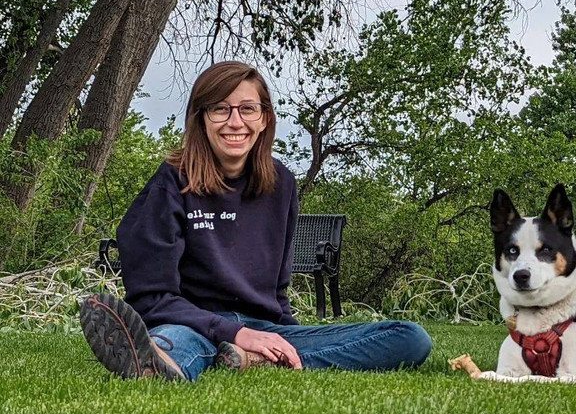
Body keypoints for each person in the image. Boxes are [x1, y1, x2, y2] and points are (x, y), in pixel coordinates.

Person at [80, 61, 432, 381]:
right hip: (191, 323)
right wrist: (231, 332)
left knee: (409, 338)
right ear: (201, 118)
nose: (236, 122)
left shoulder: (282, 185)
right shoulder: (172, 182)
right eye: (220, 109)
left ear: (265, 118)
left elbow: (277, 292)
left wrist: (281, 339)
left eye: (248, 109)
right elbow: (152, 298)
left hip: (263, 325)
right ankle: (157, 363)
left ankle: (253, 358)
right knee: (172, 342)